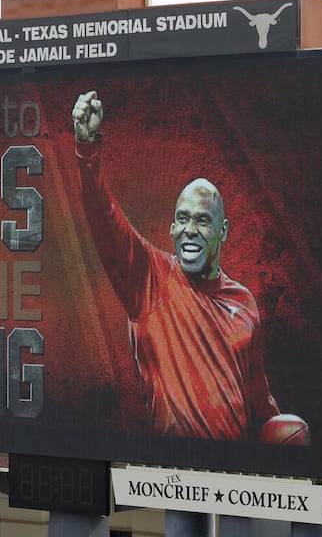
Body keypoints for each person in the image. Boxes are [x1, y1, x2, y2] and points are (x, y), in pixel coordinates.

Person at [71, 90, 282, 441]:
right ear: (171, 229)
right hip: (169, 477)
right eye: (182, 219)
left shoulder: (244, 302)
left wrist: (291, 448)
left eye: (202, 221)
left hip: (232, 482)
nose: (190, 230)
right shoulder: (151, 279)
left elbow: (260, 398)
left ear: (223, 232)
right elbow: (104, 219)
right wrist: (86, 146)